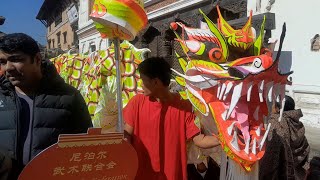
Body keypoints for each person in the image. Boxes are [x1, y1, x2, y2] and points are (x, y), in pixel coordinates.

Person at [0, 33, 92, 179]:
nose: (8, 68)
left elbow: (86, 148)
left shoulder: (69, 97)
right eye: (3, 62)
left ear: (37, 59)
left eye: (16, 59)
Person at [123, 57, 220, 180]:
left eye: (143, 80)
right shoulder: (136, 103)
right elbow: (127, 135)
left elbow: (199, 140)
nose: (141, 84)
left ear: (156, 82)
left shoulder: (184, 105)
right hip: (141, 175)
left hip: (173, 175)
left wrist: (223, 139)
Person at [259, 95, 310, 180]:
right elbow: (305, 148)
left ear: (278, 108)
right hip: (297, 175)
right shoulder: (297, 123)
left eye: (273, 105)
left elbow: (270, 158)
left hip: (281, 174)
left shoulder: (276, 123)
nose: (271, 107)